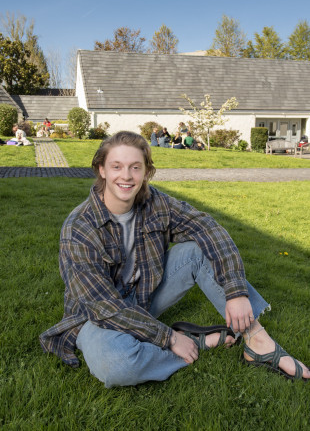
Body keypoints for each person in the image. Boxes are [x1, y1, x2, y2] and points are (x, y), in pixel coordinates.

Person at [39, 131, 309, 387]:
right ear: (102, 170)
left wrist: (236, 292)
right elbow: (103, 307)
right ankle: (195, 343)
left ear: (146, 172)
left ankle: (258, 341)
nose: (127, 176)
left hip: (143, 297)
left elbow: (207, 227)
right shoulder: (79, 228)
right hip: (95, 317)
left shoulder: (155, 202)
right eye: (117, 166)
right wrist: (168, 338)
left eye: (135, 167)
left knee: (198, 248)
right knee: (116, 363)